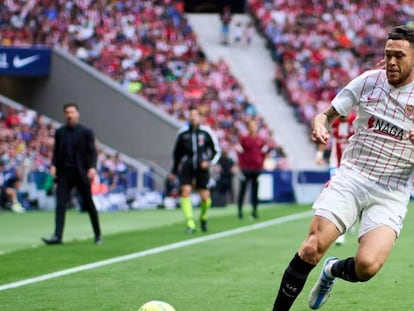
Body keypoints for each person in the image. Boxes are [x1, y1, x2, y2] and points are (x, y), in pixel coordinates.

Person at [272, 25, 414, 310]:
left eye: (399, 56)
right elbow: (325, 115)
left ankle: (332, 271)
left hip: (392, 190)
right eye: (388, 55)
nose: (391, 62)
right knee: (311, 247)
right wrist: (320, 126)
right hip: (352, 176)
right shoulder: (368, 82)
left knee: (367, 267)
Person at [42, 103, 102, 245]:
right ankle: (58, 236)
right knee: (60, 204)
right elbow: (56, 153)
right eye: (67, 112)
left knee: (89, 204)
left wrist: (92, 168)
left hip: (81, 173)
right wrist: (54, 166)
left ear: (77, 113)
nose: (69, 115)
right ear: (64, 114)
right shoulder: (60, 132)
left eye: (72, 112)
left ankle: (98, 234)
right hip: (64, 174)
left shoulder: (86, 132)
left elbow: (92, 152)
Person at [170, 106, 221, 233]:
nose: (192, 117)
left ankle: (203, 216)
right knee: (185, 191)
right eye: (190, 115)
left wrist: (208, 163)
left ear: (200, 117)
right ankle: (190, 223)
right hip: (187, 167)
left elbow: (217, 151)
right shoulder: (182, 134)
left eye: (195, 115)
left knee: (205, 198)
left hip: (201, 169)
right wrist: (174, 171)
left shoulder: (206, 132)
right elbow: (177, 154)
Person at [315, 112, 356, 245]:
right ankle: (340, 233)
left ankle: (351, 219)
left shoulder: (356, 121)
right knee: (338, 195)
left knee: (351, 195)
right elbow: (325, 136)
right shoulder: (336, 123)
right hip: (336, 164)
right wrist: (319, 153)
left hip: (353, 165)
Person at [236, 119, 269, 219]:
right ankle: (240, 211)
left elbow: (264, 152)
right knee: (243, 189)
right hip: (246, 168)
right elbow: (239, 152)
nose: (253, 127)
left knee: (255, 190)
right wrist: (241, 165)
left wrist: (261, 164)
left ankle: (254, 211)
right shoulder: (244, 139)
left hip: (256, 168)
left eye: (254, 125)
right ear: (248, 127)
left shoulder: (261, 140)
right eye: (251, 125)